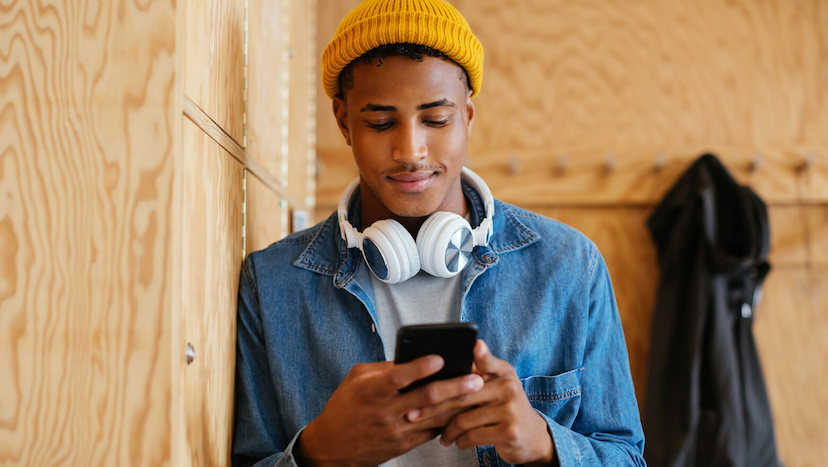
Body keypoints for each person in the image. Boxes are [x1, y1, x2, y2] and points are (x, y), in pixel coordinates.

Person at [232, 1, 645, 465]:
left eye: (436, 119)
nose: (410, 150)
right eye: (381, 122)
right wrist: (317, 452)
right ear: (344, 121)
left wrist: (544, 444)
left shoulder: (570, 266)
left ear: (467, 116)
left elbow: (626, 455)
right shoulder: (270, 284)